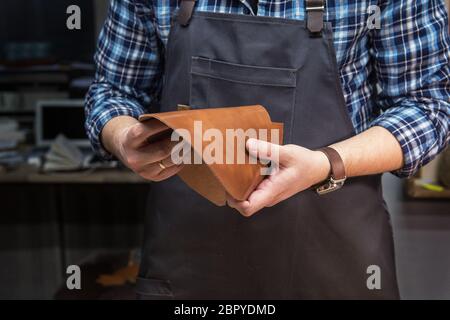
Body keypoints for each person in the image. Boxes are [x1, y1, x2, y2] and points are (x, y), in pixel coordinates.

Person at [85, 0, 450, 299]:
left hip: (334, 263)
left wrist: (327, 163)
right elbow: (113, 92)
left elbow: (428, 106)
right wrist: (122, 136)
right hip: (188, 268)